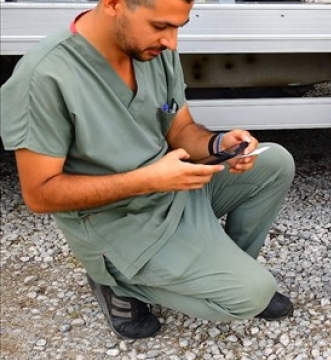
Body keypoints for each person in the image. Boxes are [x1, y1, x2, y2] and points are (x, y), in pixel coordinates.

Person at [0, 0, 296, 340]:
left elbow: (180, 131)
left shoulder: (153, 51)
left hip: (169, 191)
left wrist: (219, 144)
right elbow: (39, 194)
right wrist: (148, 180)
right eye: (160, 26)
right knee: (252, 295)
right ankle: (115, 281)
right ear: (113, 4)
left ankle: (222, 269)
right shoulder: (44, 76)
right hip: (118, 225)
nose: (172, 42)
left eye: (178, 27)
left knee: (274, 162)